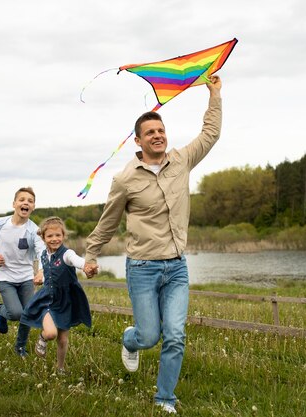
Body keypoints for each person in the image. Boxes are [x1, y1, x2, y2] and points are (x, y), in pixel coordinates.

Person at [84, 74, 223, 414]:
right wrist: (91, 254)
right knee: (149, 337)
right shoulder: (125, 180)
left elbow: (211, 134)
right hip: (143, 269)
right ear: (138, 140)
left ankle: (164, 398)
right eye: (151, 133)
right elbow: (109, 221)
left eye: (161, 131)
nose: (158, 136)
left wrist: (215, 94)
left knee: (174, 335)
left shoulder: (182, 160)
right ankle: (130, 340)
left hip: (176, 266)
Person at [0, 187, 45, 357]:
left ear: (33, 207)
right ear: (14, 204)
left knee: (28, 314)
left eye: (30, 201)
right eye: (22, 199)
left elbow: (42, 251)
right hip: (4, 276)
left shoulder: (34, 231)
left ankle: (20, 348)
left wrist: (42, 271)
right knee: (15, 313)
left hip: (26, 277)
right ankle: (0, 309)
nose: (25, 203)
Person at [20, 216, 92, 374]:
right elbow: (47, 272)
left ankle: (60, 368)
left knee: (63, 339)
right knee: (52, 333)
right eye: (50, 236)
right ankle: (43, 338)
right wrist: (41, 278)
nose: (54, 239)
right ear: (43, 237)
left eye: (58, 235)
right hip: (47, 299)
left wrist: (86, 266)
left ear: (63, 236)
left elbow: (77, 261)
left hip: (65, 300)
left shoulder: (67, 254)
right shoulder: (43, 255)